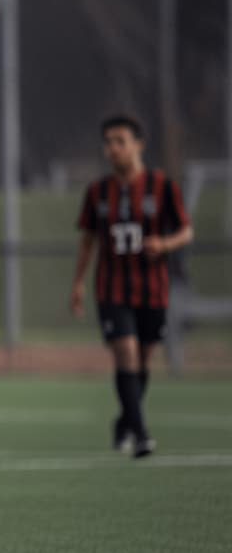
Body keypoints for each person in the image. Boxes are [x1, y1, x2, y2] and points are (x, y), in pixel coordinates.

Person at [70, 114, 192, 457]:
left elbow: (186, 230)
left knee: (143, 360)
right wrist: (78, 283)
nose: (112, 149)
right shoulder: (98, 192)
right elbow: (88, 240)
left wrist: (164, 245)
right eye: (108, 143)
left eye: (119, 141)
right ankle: (140, 434)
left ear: (138, 144)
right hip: (112, 288)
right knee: (126, 352)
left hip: (152, 287)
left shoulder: (163, 187)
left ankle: (124, 420)